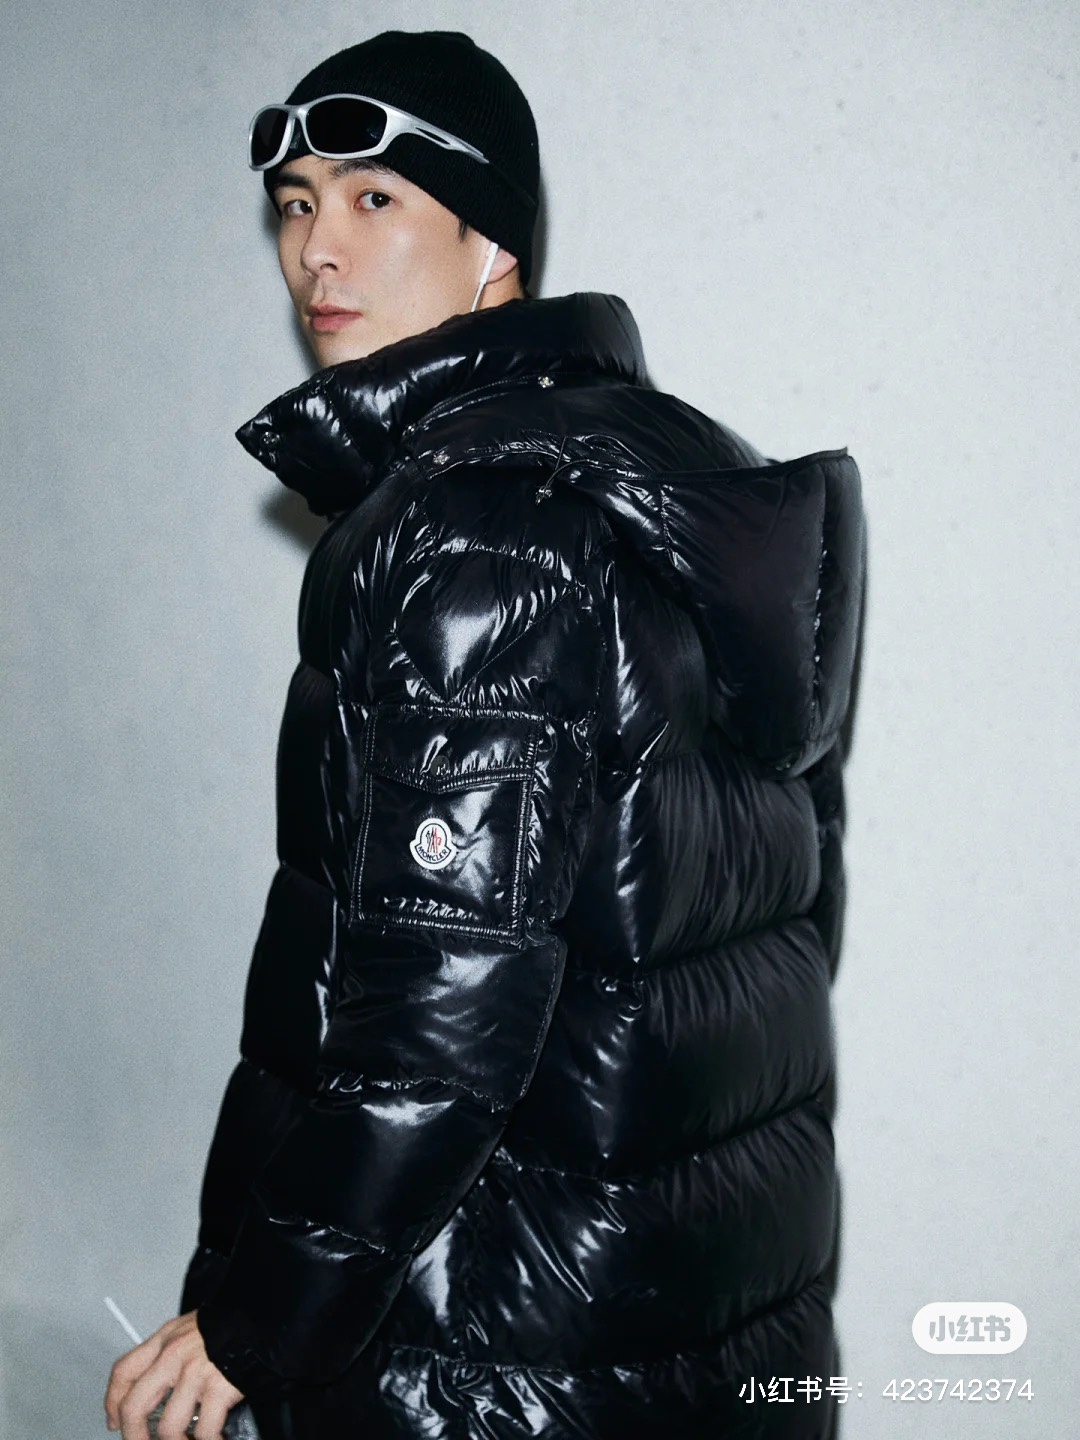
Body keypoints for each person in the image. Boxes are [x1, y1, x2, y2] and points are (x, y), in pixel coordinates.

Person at [105, 28, 865, 1440]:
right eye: (295, 205)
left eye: (374, 199)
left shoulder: (477, 530)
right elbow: (794, 914)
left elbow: (442, 1005)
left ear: (493, 245)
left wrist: (264, 1314)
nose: (317, 251)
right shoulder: (694, 480)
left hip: (494, 1346)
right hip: (692, 1306)